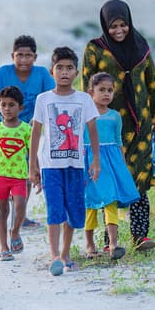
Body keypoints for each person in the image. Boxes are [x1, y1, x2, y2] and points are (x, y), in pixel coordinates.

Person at [81, 0, 155, 252]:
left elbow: (152, 85)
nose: (119, 30)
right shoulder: (94, 49)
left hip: (139, 124)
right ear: (105, 26)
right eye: (113, 26)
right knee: (108, 181)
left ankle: (140, 237)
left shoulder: (142, 47)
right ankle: (110, 242)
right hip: (105, 127)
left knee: (138, 177)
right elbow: (85, 88)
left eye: (123, 25)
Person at [29, 47, 100, 276]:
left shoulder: (84, 99)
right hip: (50, 166)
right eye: (60, 68)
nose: (64, 72)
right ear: (52, 71)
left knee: (74, 210)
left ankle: (66, 252)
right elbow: (36, 133)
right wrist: (32, 165)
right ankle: (54, 256)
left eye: (69, 68)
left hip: (76, 165)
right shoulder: (44, 99)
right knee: (54, 210)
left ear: (77, 73)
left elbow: (92, 130)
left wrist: (95, 160)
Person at [0, 35, 55, 227]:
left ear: (35, 57)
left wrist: (44, 116)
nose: (24, 60)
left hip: (27, 125)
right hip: (0, 119)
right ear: (12, 56)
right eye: (20, 55)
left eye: (28, 56)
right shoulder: (3, 72)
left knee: (26, 164)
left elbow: (52, 97)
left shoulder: (41, 74)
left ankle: (21, 214)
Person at [83, 72, 141, 260]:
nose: (106, 94)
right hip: (89, 159)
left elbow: (118, 141)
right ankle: (89, 244)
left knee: (110, 200)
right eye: (102, 90)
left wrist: (121, 166)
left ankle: (113, 244)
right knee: (90, 203)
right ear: (90, 92)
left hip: (111, 161)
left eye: (110, 90)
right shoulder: (84, 114)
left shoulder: (115, 116)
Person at [0, 86, 32, 261]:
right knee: (2, 211)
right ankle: (3, 247)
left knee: (20, 206)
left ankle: (15, 231)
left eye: (12, 105)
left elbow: (32, 154)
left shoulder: (26, 130)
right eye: (3, 105)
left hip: (20, 177)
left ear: (21, 108)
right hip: (0, 176)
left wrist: (35, 171)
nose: (7, 109)